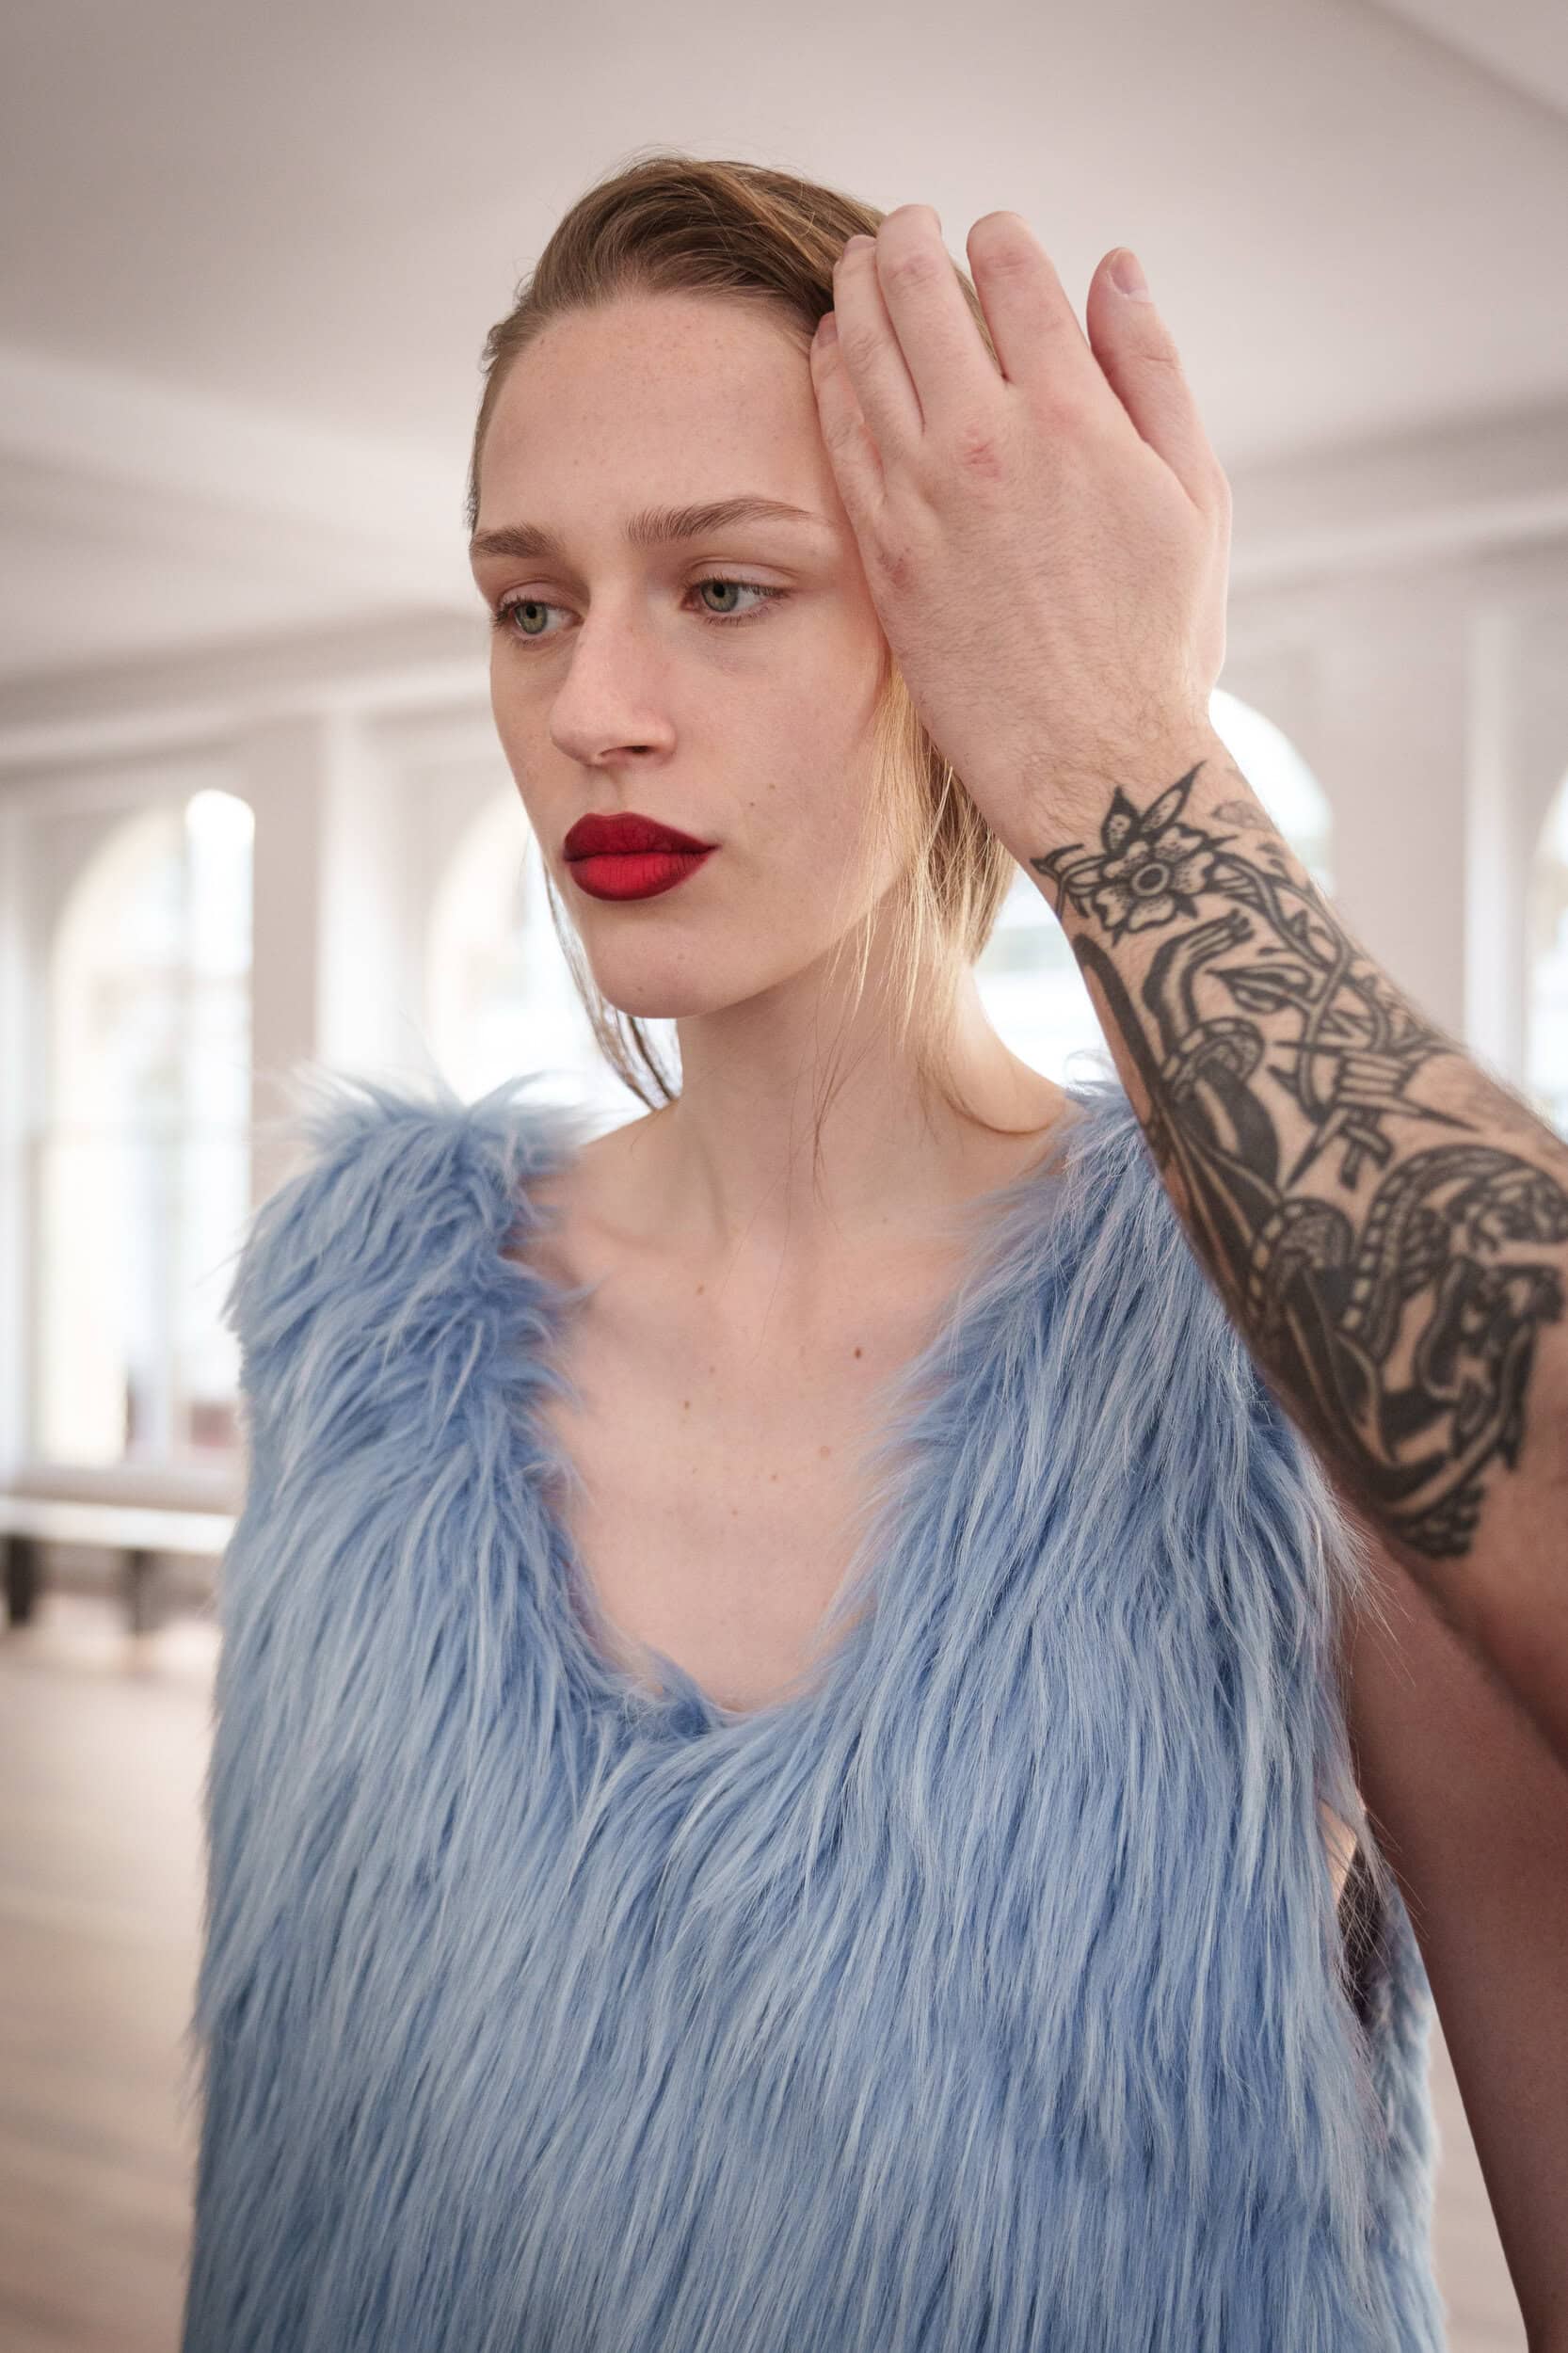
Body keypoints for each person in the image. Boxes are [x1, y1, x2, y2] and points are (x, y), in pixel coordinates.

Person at [179, 153, 1568, 2352]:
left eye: (725, 587)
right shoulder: (361, 1308)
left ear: (962, 617)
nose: (591, 702)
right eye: (528, 605)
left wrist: (1121, 742)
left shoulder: (1271, 1355)